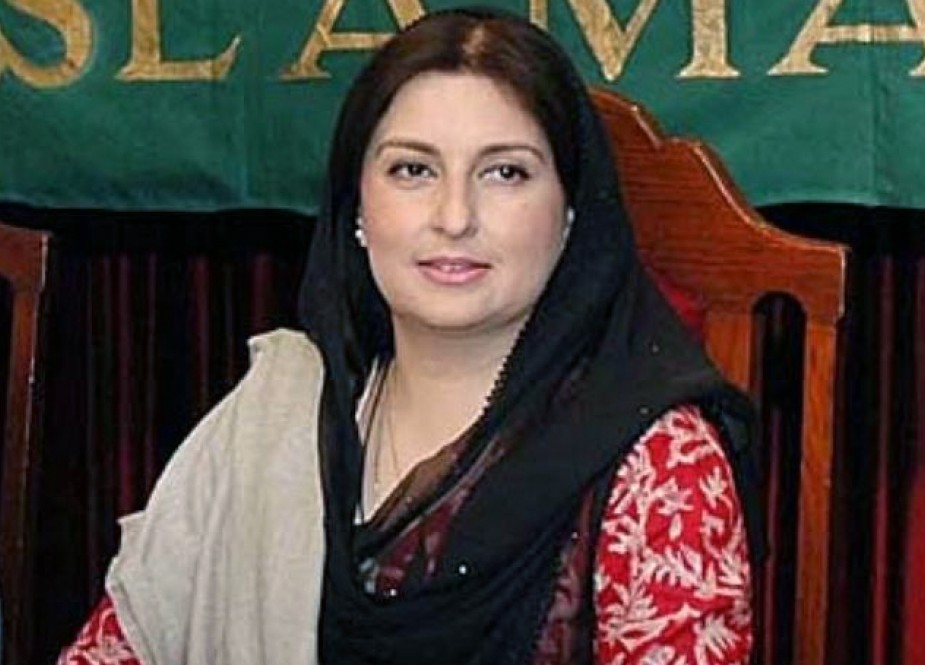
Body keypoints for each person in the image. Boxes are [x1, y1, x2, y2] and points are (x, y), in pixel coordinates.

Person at [59, 7, 761, 664]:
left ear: (570, 215)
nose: (454, 216)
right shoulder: (276, 419)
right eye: (412, 169)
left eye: (505, 172)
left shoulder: (660, 464)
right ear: (357, 208)